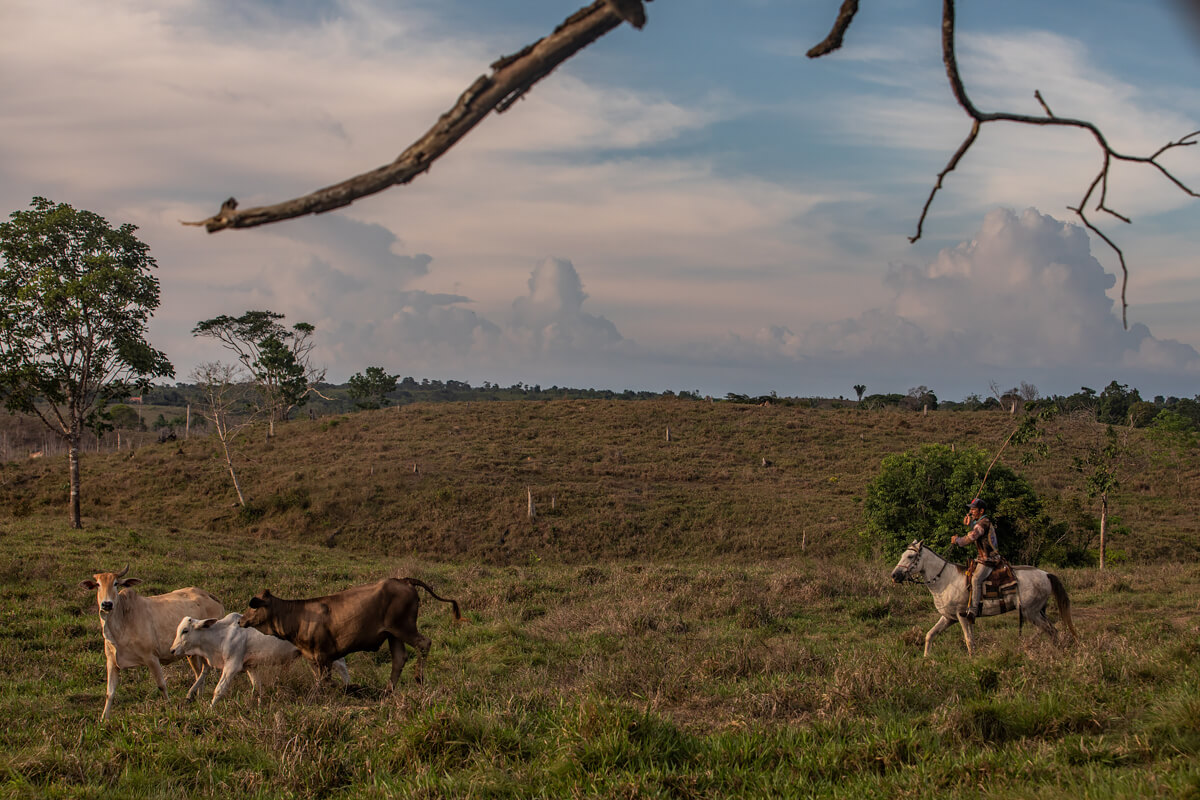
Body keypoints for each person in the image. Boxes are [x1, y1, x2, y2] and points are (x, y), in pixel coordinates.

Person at [951, 497, 1000, 620]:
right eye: (971, 509)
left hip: (989, 559)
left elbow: (972, 537)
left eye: (974, 509)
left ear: (981, 511)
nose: (971, 511)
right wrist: (970, 523)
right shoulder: (980, 523)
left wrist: (957, 540)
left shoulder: (983, 523)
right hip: (982, 558)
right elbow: (974, 528)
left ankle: (973, 610)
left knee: (976, 579)